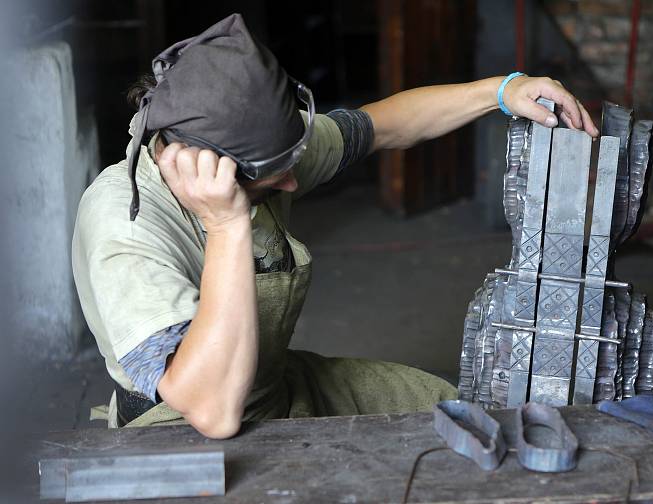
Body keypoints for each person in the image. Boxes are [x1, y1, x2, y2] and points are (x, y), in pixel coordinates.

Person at [72, 13, 598, 439]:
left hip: (271, 385)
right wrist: (228, 223)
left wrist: (502, 90)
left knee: (451, 413)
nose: (293, 186)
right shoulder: (126, 224)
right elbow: (212, 412)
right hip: (182, 426)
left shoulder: (261, 150)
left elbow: (381, 126)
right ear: (214, 171)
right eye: (271, 183)